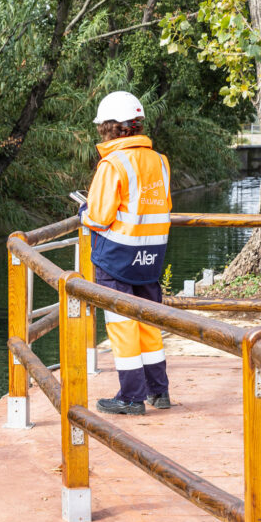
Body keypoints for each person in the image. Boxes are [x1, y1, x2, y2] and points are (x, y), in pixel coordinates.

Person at [79, 91, 172, 415]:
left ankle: (131, 397)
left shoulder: (112, 163)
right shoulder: (159, 160)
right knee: (149, 321)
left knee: (122, 324)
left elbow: (100, 216)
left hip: (117, 257)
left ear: (110, 127)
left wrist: (83, 212)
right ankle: (159, 392)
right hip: (151, 256)